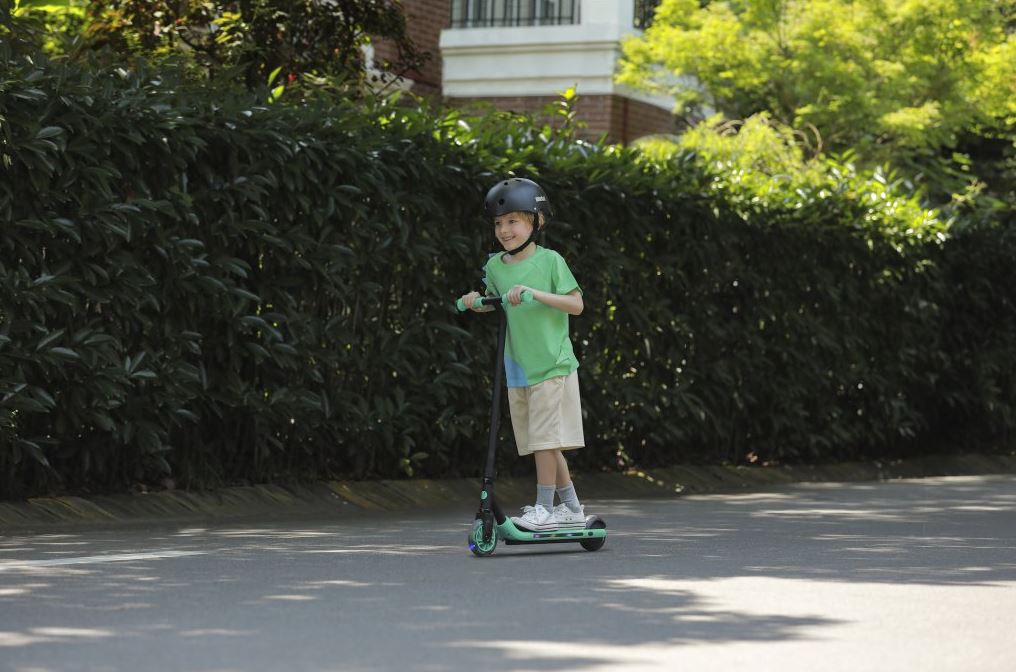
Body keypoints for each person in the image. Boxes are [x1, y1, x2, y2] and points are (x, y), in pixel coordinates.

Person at [458, 177, 587, 532]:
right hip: (518, 366)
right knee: (541, 442)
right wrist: (476, 301)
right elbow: (494, 299)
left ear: (536, 222)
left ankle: (544, 508)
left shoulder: (550, 262)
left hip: (551, 363)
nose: (504, 229)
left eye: (513, 221)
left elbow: (576, 304)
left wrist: (535, 293)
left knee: (545, 439)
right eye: (498, 223)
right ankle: (572, 508)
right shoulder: (497, 266)